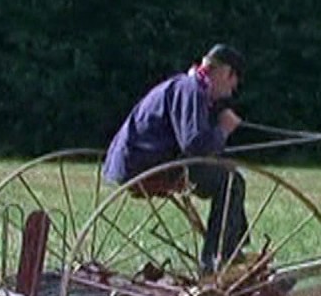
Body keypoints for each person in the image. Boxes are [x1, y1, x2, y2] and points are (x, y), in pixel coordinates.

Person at [102, 43, 249, 276]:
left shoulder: (186, 87)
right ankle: (217, 262)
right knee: (231, 181)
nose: (233, 89)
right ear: (225, 72)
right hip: (146, 165)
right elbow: (194, 145)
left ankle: (234, 252)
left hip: (135, 161)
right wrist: (222, 130)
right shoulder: (191, 89)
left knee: (228, 174)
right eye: (234, 80)